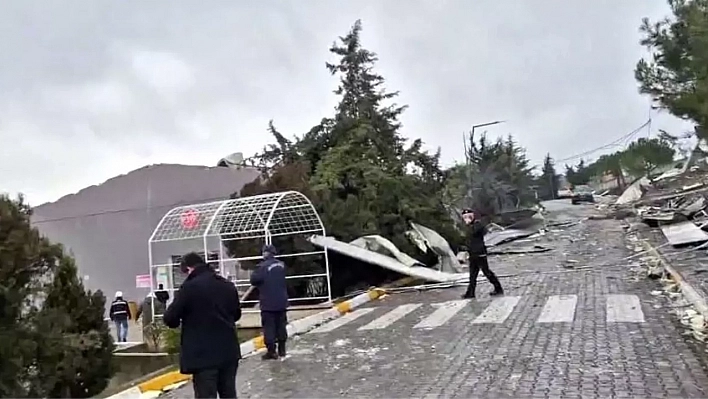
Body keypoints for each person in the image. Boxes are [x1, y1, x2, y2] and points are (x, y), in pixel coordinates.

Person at [164, 252, 242, 399]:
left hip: (203, 356)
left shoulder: (189, 288)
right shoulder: (227, 285)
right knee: (229, 393)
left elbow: (170, 318)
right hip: (228, 351)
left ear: (189, 268)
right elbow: (236, 314)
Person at [250, 244, 289, 360]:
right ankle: (282, 350)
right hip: (282, 301)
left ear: (265, 253)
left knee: (269, 327)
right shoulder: (282, 265)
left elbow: (253, 280)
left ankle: (272, 351)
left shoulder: (262, 267)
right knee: (281, 326)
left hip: (268, 303)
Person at [461, 208, 504, 299]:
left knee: (486, 272)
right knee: (473, 274)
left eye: (469, 216)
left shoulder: (478, 225)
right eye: (465, 217)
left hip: (480, 252)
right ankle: (470, 292)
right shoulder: (468, 226)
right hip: (472, 253)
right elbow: (466, 238)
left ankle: (498, 288)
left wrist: (468, 225)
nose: (467, 218)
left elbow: (475, 233)